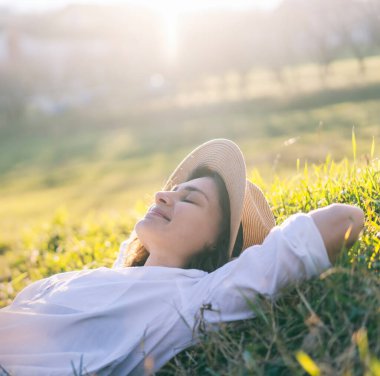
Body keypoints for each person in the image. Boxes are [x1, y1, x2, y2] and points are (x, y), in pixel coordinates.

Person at [0, 139, 365, 376]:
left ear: (215, 244)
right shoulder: (92, 278)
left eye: (189, 199)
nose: (161, 196)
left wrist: (250, 260)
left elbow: (344, 220)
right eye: (171, 190)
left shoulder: (194, 298)